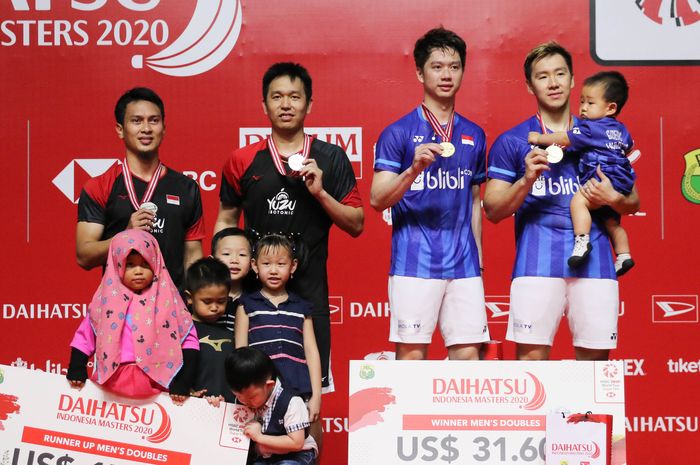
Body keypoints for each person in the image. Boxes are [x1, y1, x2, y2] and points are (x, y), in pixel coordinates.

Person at [484, 42, 640, 361]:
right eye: (543, 76)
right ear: (530, 85)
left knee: (595, 365)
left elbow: (633, 200)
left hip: (595, 263)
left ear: (572, 80)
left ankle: (584, 416)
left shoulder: (603, 133)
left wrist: (614, 198)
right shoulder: (514, 140)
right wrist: (527, 179)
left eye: (560, 74)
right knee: (531, 365)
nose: (553, 83)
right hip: (535, 263)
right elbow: (493, 209)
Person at [215, 62, 364, 392]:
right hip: (255, 296)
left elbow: (356, 223)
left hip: (310, 294)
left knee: (313, 395)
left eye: (295, 97)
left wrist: (321, 193)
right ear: (264, 104)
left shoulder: (331, 157)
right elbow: (226, 219)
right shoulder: (242, 159)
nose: (286, 104)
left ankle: (307, 447)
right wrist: (220, 273)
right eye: (277, 96)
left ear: (309, 104)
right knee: (250, 390)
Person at [369, 27, 489, 360]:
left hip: (465, 264)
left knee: (468, 357)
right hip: (413, 263)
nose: (447, 74)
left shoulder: (475, 134)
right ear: (420, 72)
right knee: (411, 358)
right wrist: (412, 170)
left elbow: (474, 201)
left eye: (454, 66)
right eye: (437, 66)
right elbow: (378, 199)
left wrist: (478, 259)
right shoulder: (398, 132)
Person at [76, 87, 205, 288]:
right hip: (120, 311)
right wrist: (125, 237)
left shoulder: (186, 188)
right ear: (120, 129)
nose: (146, 128)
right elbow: (84, 256)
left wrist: (191, 307)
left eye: (154, 120)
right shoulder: (99, 187)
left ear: (164, 128)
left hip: (172, 309)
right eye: (136, 121)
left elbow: (192, 257)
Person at [66, 229, 199, 403]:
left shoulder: (168, 299)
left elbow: (189, 340)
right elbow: (85, 336)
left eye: (145, 264)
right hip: (110, 387)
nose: (138, 271)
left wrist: (183, 380)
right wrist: (77, 366)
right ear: (116, 264)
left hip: (158, 386)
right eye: (130, 264)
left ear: (156, 263)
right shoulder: (105, 301)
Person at [527, 71, 636, 275]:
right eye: (582, 101)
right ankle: (624, 255)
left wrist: (539, 138)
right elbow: (628, 147)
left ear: (611, 107)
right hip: (622, 181)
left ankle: (581, 241)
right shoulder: (622, 130)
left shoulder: (589, 128)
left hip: (600, 178)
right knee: (612, 222)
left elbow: (565, 138)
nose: (583, 108)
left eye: (590, 103)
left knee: (578, 202)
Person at [235, 235, 321, 447]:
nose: (273, 270)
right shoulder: (246, 304)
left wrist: (317, 396)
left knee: (298, 446)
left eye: (281, 264)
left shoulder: (302, 307)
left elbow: (311, 351)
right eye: (266, 264)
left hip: (297, 389)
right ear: (255, 266)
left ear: (293, 266)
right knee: (260, 450)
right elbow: (240, 352)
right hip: (260, 393)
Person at [225, 347, 317, 465]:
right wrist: (215, 406)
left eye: (252, 397)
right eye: (239, 397)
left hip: (296, 455)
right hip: (264, 458)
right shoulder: (242, 399)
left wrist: (259, 437)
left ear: (269, 385)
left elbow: (296, 443)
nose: (245, 402)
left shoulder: (291, 402)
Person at [185, 256, 236, 403]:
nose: (214, 307)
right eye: (207, 301)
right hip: (193, 408)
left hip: (230, 412)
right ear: (189, 297)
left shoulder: (231, 332)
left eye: (221, 301)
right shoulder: (183, 331)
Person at [211, 227, 254, 332]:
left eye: (242, 254)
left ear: (252, 263)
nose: (234, 260)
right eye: (226, 254)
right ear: (212, 261)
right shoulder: (205, 297)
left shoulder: (254, 300)